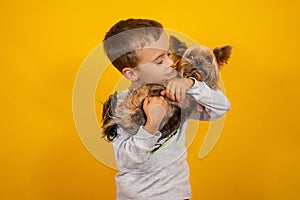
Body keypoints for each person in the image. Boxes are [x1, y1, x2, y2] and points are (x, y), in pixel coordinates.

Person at [102, 18, 230, 200]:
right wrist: (151, 126)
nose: (170, 63)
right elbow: (127, 161)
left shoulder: (178, 94)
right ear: (131, 73)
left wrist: (191, 84)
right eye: (159, 61)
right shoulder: (122, 105)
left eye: (168, 55)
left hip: (177, 194)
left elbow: (221, 107)